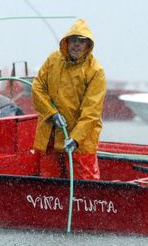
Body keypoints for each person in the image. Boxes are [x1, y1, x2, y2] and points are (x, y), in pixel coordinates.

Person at [32, 19, 106, 180]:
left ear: (88, 45)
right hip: (50, 138)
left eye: (82, 41)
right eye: (74, 40)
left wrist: (75, 139)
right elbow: (37, 87)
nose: (77, 45)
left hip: (79, 143)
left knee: (84, 189)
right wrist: (52, 114)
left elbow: (91, 112)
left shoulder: (95, 71)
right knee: (49, 186)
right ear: (67, 42)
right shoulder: (53, 60)